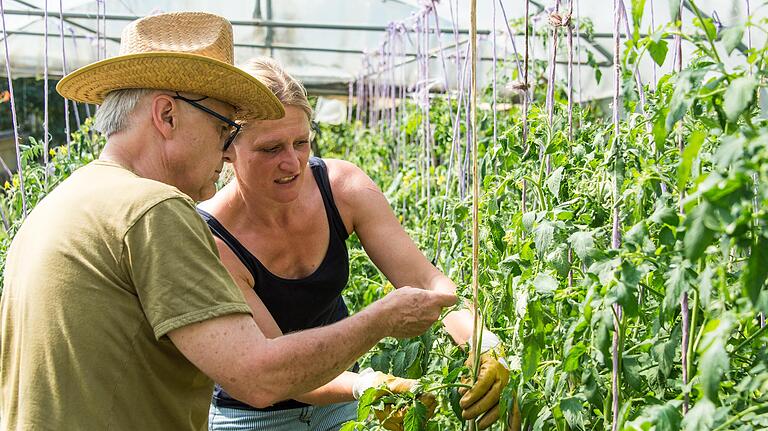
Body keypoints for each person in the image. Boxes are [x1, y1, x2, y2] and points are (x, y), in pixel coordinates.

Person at [0, 12, 456, 430]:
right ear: (166, 115)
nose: (223, 152)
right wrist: (378, 321)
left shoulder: (64, 201)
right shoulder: (153, 210)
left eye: (302, 143)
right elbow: (257, 378)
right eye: (222, 128)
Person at [198, 57, 514, 431]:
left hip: (340, 400)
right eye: (270, 149)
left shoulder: (342, 188)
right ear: (227, 149)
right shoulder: (211, 237)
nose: (293, 163)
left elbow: (425, 280)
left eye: (301, 142)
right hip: (253, 414)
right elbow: (277, 373)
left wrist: (481, 341)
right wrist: (365, 383)